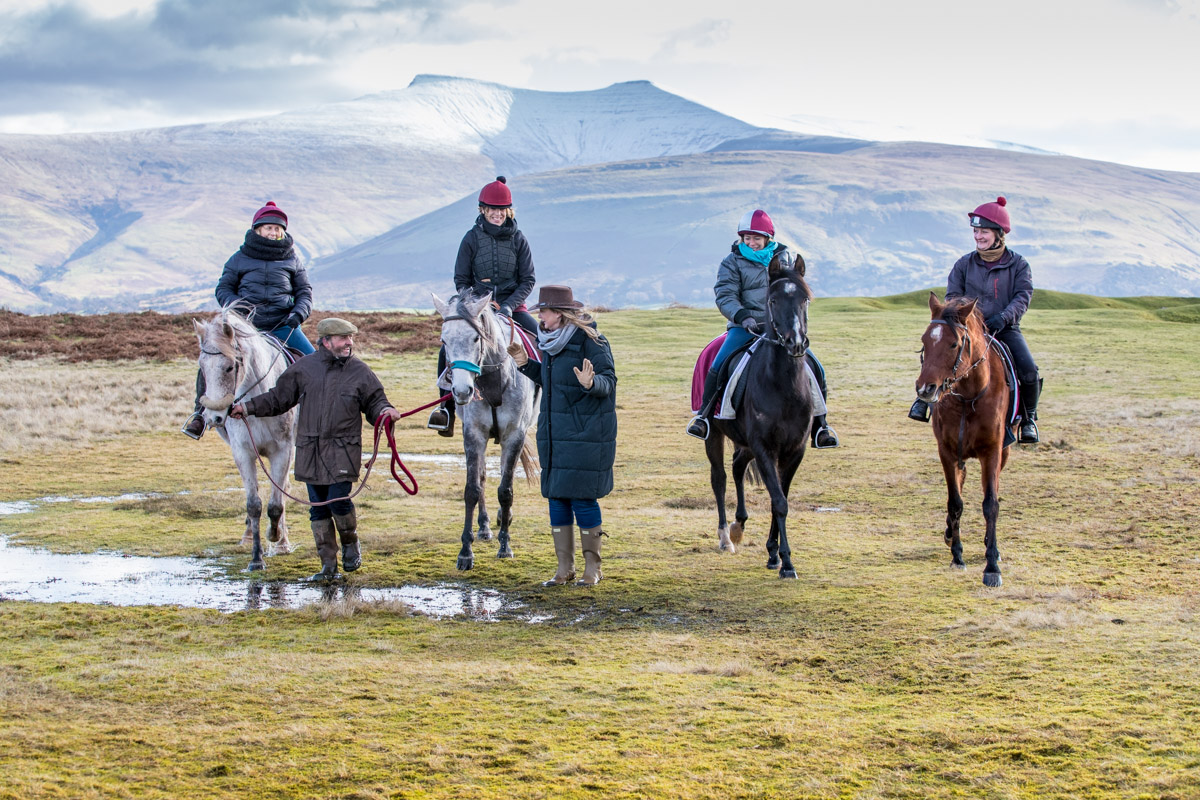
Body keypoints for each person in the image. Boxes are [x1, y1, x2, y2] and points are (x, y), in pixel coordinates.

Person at [230, 317, 402, 582]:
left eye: (350, 338)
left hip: (343, 451)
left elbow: (375, 401)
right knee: (318, 510)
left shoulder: (359, 371)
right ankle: (328, 566)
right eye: (343, 338)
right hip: (310, 451)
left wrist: (385, 412)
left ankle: (350, 544)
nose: (349, 343)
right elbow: (278, 399)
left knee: (338, 501)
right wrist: (247, 407)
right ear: (326, 341)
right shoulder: (303, 369)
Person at [685, 209, 839, 448]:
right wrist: (742, 316)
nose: (751, 243)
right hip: (745, 326)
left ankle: (821, 426)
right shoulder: (731, 262)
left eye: (756, 238)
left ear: (768, 238)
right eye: (747, 238)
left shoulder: (785, 259)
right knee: (720, 363)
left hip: (780, 328)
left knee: (815, 367)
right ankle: (704, 417)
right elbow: (725, 295)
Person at [506, 285, 616, 587]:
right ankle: (564, 569)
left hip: (586, 434)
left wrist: (591, 383)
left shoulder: (592, 340)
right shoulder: (550, 343)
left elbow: (608, 381)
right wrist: (525, 364)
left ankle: (593, 569)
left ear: (560, 313)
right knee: (556, 499)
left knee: (582, 498)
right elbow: (552, 381)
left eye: (544, 310)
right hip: (554, 434)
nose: (540, 316)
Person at [907, 196, 1041, 444]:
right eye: (976, 232)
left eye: (984, 232)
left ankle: (1028, 419)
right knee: (937, 356)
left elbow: (1023, 296)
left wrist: (1004, 317)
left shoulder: (1019, 265)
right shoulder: (964, 264)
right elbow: (952, 297)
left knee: (1029, 370)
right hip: (966, 329)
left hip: (1004, 328)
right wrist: (965, 319)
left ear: (999, 234)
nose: (978, 236)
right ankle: (923, 400)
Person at [182, 201, 314, 439]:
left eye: (277, 229)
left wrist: (298, 313)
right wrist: (239, 310)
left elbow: (304, 291)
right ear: (257, 230)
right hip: (245, 328)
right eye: (268, 228)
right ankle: (200, 415)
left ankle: (318, 417)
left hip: (283, 325)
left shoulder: (292, 259)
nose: (273, 232)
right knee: (212, 360)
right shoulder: (239, 258)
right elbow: (223, 289)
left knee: (317, 363)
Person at [428, 176, 538, 437]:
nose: (497, 214)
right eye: (492, 209)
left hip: (514, 308)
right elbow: (461, 280)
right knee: (447, 350)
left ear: (508, 211)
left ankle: (542, 403)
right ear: (483, 210)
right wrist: (479, 304)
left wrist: (508, 306)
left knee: (540, 341)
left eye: (502, 210)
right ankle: (446, 409)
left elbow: (528, 280)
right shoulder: (471, 239)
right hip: (478, 310)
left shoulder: (519, 239)